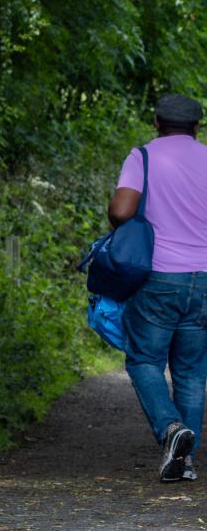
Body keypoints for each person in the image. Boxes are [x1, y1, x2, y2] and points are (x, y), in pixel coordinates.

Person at [108, 93, 207, 484]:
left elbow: (121, 210)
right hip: (204, 279)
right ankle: (184, 462)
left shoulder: (143, 157)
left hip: (160, 276)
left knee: (144, 360)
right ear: (197, 127)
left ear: (156, 123)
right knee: (191, 371)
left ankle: (170, 429)